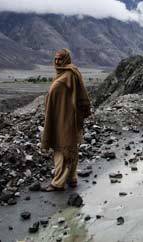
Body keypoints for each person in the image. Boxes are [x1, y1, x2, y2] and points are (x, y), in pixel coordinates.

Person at [41, 48, 91, 191]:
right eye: (55, 59)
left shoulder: (69, 75)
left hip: (66, 119)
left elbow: (80, 96)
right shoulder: (65, 74)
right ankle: (72, 178)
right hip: (62, 117)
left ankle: (58, 183)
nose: (57, 61)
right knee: (71, 147)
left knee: (62, 148)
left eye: (60, 59)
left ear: (66, 59)